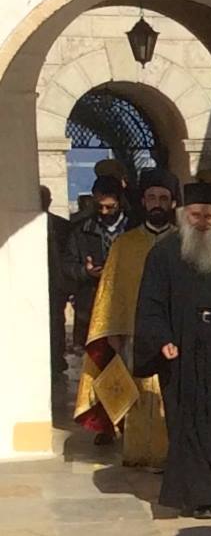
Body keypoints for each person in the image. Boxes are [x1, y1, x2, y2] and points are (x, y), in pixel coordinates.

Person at [134, 181, 211, 518]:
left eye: (209, 217)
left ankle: (208, 485)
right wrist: (162, 338)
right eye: (196, 215)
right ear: (184, 215)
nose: (202, 222)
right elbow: (151, 304)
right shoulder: (164, 254)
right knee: (187, 420)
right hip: (181, 348)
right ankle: (201, 497)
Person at [73, 168, 180, 459]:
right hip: (133, 333)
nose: (157, 203)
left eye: (163, 198)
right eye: (151, 198)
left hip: (175, 335)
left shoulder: (183, 243)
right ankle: (137, 453)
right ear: (143, 202)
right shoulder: (125, 244)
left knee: (171, 397)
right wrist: (112, 331)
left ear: (172, 203)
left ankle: (171, 454)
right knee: (138, 394)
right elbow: (111, 291)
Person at [64, 176, 134, 348]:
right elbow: (67, 265)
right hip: (91, 308)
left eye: (109, 207)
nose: (104, 211)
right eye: (99, 206)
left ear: (119, 201)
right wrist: (86, 271)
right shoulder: (81, 230)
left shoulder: (134, 228)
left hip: (129, 307)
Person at [40, 185, 72, 379]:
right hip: (35, 283)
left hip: (56, 283)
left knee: (57, 322)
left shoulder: (62, 226)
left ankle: (56, 360)